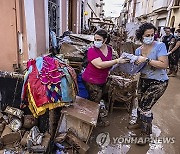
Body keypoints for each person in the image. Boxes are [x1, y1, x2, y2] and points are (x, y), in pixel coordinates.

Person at [128, 23, 169, 145]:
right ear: (141, 36)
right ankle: (139, 123)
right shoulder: (138, 50)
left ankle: (146, 134)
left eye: (152, 35)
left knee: (146, 106)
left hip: (159, 81)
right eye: (147, 35)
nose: (150, 37)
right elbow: (137, 67)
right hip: (144, 79)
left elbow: (164, 64)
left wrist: (147, 60)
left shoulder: (160, 46)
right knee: (140, 102)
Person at [82, 29, 128, 103]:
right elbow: (99, 65)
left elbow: (109, 62)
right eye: (95, 39)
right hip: (91, 80)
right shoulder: (92, 50)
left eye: (99, 40)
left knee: (101, 98)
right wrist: (117, 61)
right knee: (95, 100)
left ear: (105, 40)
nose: (96, 41)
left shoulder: (109, 49)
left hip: (103, 79)